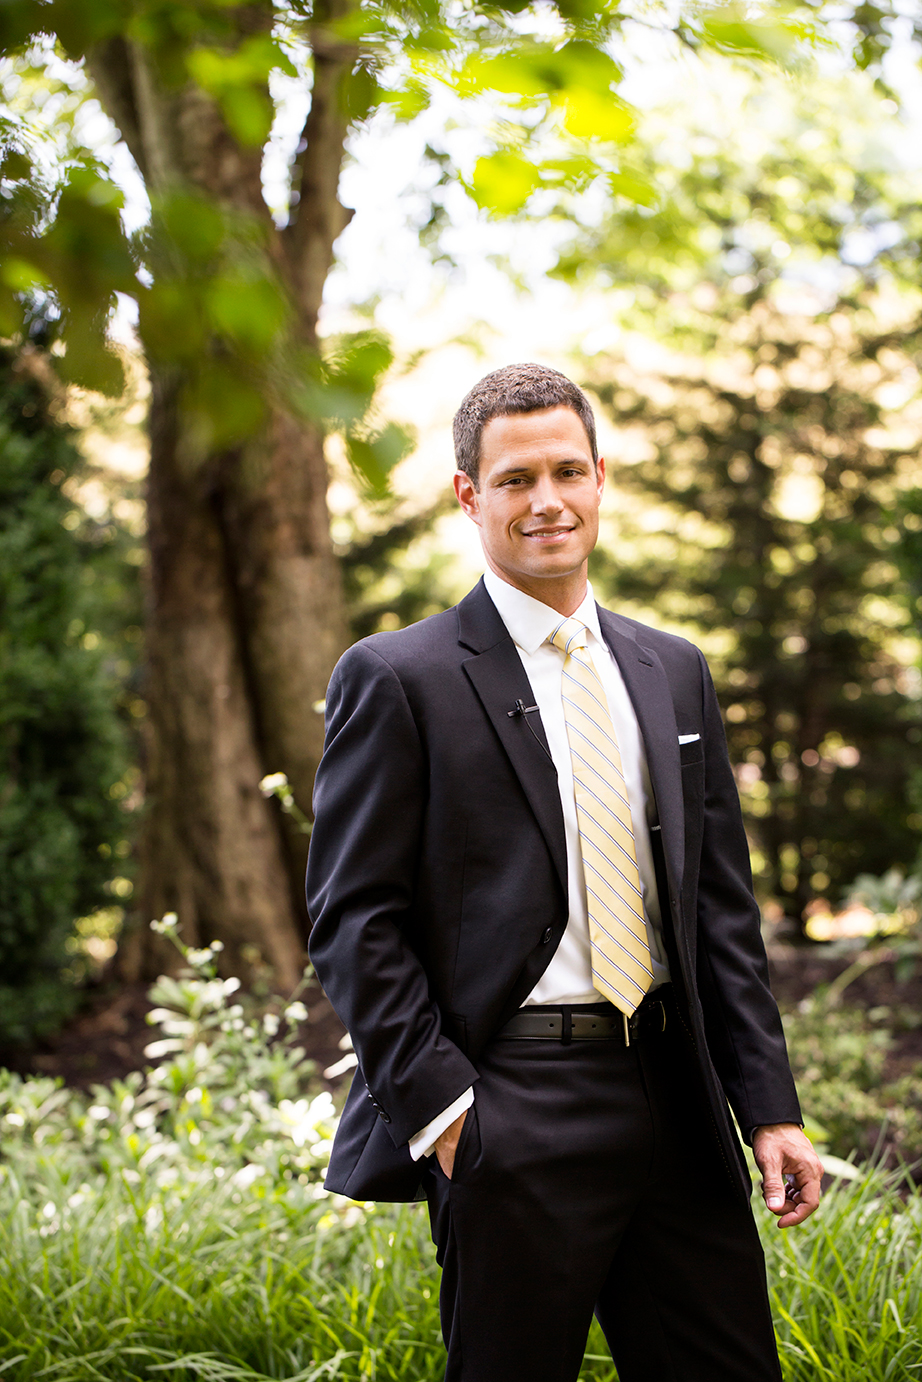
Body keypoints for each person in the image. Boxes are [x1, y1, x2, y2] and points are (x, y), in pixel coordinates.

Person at [306, 362, 823, 1382]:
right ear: (469, 494)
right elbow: (351, 917)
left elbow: (718, 909)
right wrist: (449, 1114)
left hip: (676, 1092)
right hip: (511, 1104)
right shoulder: (398, 677)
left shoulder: (670, 666)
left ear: (599, 478)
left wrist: (768, 1104)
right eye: (514, 479)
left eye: (566, 471)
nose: (546, 500)